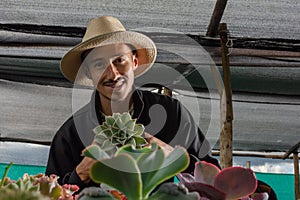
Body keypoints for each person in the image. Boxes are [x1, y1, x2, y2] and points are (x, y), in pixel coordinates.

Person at [46, 16, 219, 190]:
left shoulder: (172, 114)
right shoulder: (70, 134)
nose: (112, 74)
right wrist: (81, 173)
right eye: (99, 64)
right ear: (88, 72)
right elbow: (49, 192)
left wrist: (173, 157)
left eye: (119, 60)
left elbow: (216, 182)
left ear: (134, 61)